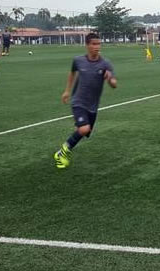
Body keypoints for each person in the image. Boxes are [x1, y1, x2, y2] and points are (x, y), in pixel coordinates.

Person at [53, 33, 117, 169]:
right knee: (84, 128)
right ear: (87, 45)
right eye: (94, 44)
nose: (97, 47)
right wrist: (67, 91)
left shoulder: (105, 64)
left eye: (98, 44)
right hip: (78, 101)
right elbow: (72, 73)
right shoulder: (78, 60)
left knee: (85, 132)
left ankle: (71, 141)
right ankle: (61, 152)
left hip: (93, 106)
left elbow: (114, 84)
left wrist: (110, 79)